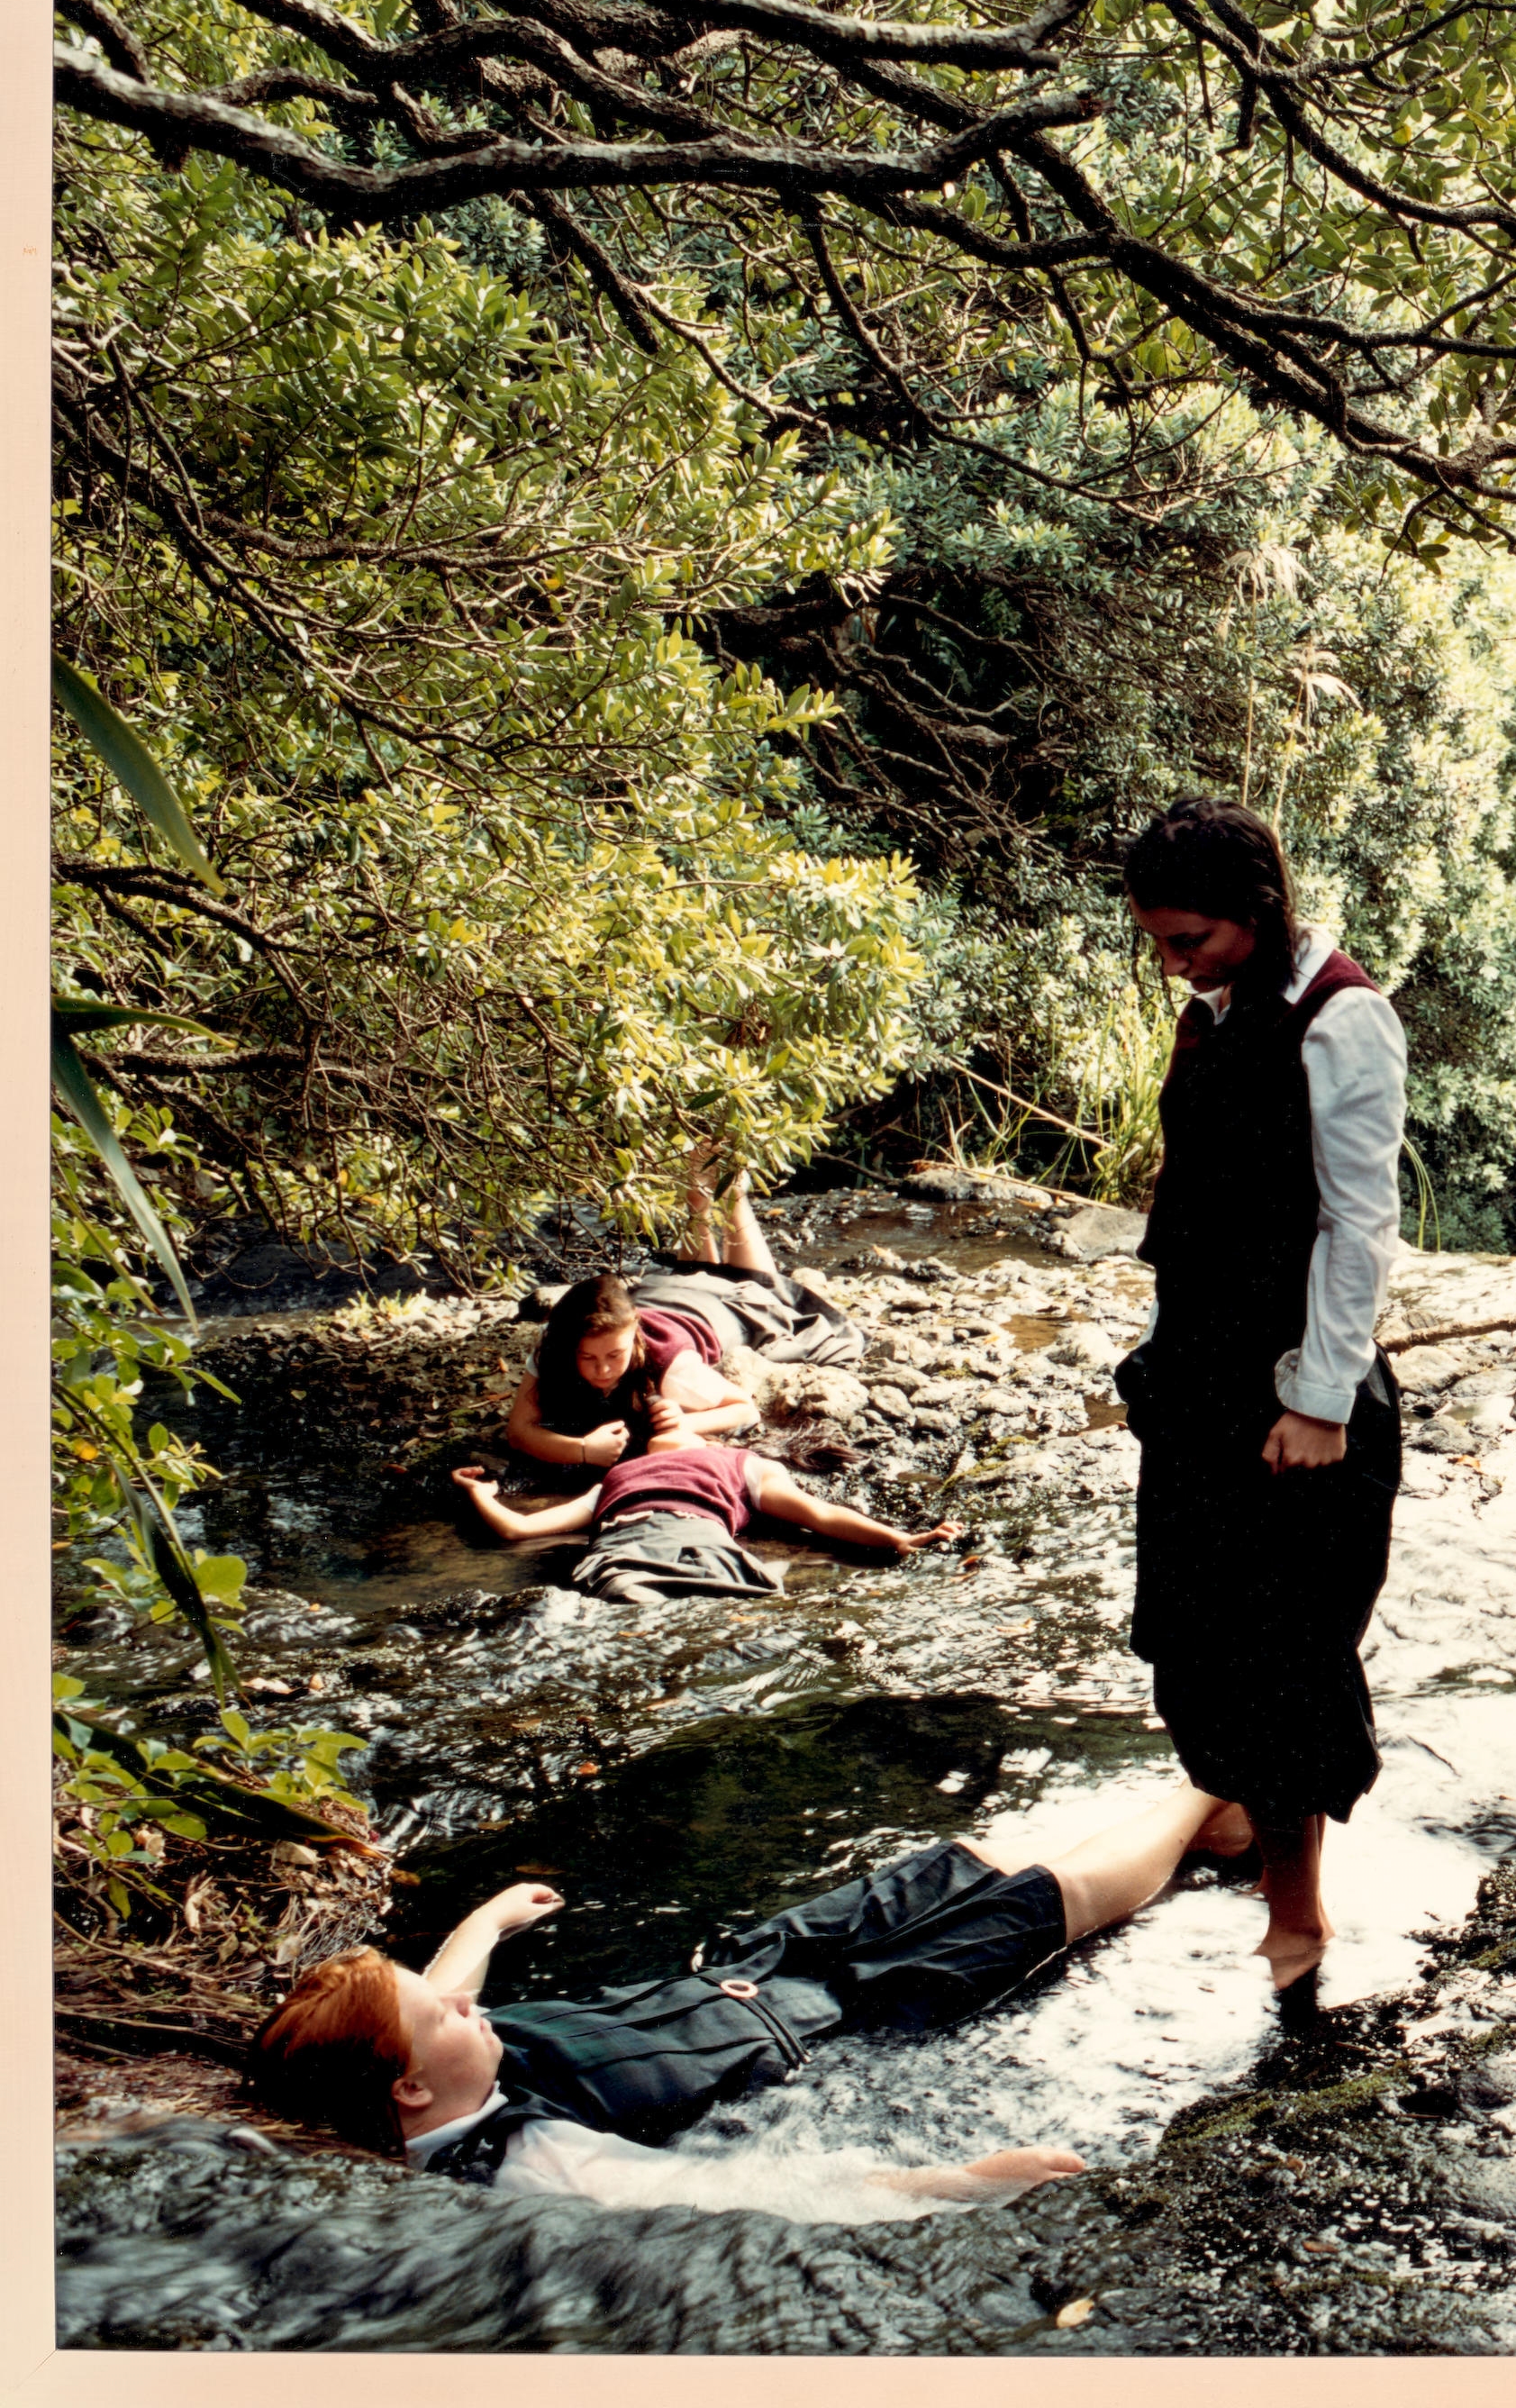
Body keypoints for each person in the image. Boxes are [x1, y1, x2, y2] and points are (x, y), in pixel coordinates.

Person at [248, 1784, 1242, 2209]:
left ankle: (1201, 1815)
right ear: (411, 2090)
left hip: (757, 1961)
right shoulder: (535, 2164)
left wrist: (490, 1923)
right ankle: (1207, 1794)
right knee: (1047, 1903)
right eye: (444, 2016)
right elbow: (746, 2197)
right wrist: (967, 2180)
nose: (469, 2008)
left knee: (971, 1859)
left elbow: (449, 1994)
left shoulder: (444, 2061)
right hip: (845, 2015)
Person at [1117, 796, 1407, 1995]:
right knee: (1185, 1638)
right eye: (1160, 943)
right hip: (1199, 1377)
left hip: (1297, 1396)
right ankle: (1234, 1816)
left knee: (1286, 1661)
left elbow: (1357, 1223)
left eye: (1189, 941)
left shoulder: (1344, 1020)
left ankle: (1298, 1919)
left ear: (1254, 914)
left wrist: (1322, 1399)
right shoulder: (1219, 1007)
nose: (1172, 964)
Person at [500, 1146, 862, 1470]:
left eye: (614, 1355)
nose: (603, 1370)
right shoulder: (556, 1341)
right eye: (588, 1358)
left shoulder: (672, 1368)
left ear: (633, 1341)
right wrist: (580, 1449)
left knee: (751, 1281)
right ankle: (700, 1196)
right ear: (568, 1345)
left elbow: (744, 1408)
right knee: (687, 1272)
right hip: (660, 1295)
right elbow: (519, 1431)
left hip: (717, 1312)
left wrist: (685, 1421)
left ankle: (732, 1188)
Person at [452, 1400, 952, 1602]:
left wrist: (898, 1539)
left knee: (711, 1590)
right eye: (656, 1430)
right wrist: (479, 1493)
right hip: (622, 1543)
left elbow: (818, 1515)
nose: (665, 1431)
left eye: (683, 1425)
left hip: (694, 1535)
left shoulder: (742, 1464)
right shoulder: (615, 1479)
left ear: (715, 1444)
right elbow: (518, 1529)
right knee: (630, 1593)